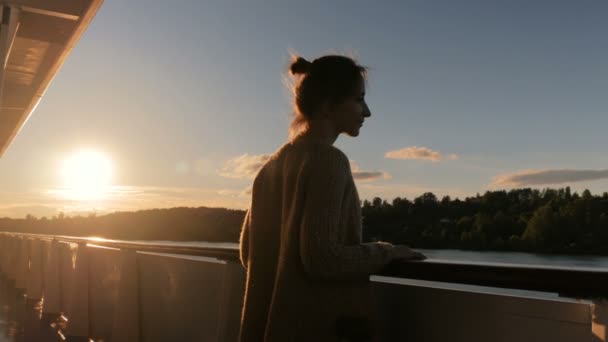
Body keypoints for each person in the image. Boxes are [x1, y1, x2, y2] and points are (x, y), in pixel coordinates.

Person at [238, 54, 425, 342]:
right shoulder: (329, 162)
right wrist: (388, 251)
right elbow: (323, 258)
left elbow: (247, 254)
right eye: (358, 100)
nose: (367, 111)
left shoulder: (270, 167)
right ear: (327, 105)